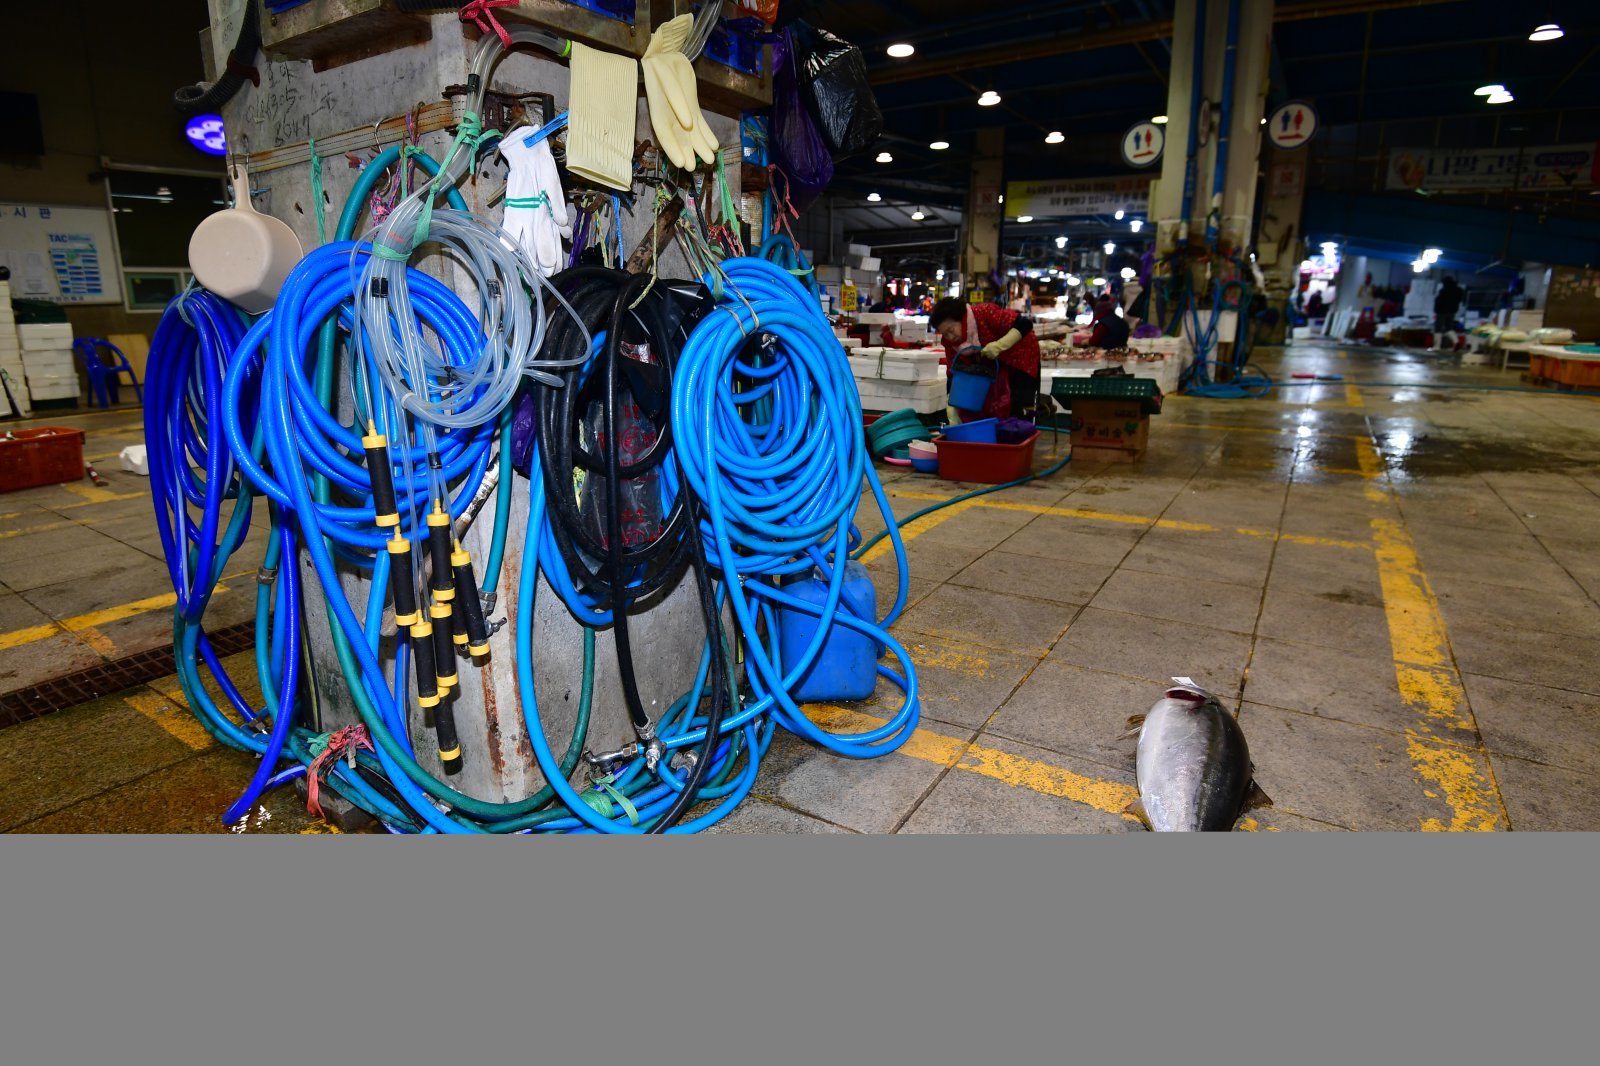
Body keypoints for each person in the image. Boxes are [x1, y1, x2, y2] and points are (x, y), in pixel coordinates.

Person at [930, 296, 1040, 420]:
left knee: (1017, 404)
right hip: (992, 363)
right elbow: (953, 370)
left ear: (962, 319)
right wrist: (951, 402)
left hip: (1019, 357)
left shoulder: (985, 313)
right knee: (990, 403)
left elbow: (1024, 324)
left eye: (951, 330)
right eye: (945, 333)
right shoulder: (950, 343)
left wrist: (1000, 345)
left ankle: (1019, 432)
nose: (950, 336)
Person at [1433, 276, 1463, 352]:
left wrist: (1436, 310)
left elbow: (1438, 301)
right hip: (1452, 311)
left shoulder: (1444, 290)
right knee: (1448, 328)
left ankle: (1437, 346)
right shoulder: (1459, 290)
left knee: (1438, 328)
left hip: (1442, 311)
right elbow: (1460, 300)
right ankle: (1456, 342)